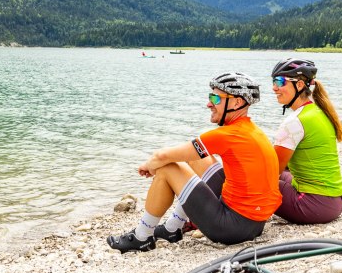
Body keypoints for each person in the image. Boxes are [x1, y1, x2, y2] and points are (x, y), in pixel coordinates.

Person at [107, 72, 281, 253]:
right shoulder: (250, 130)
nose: (209, 103)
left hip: (231, 228)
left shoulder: (228, 135)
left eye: (215, 98)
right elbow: (186, 152)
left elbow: (162, 157)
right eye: (210, 96)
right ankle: (173, 228)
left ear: (237, 102)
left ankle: (141, 237)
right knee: (195, 157)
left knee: (167, 168)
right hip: (255, 223)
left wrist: (149, 166)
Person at [269, 58, 342, 224]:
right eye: (274, 81)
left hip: (313, 205)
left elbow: (271, 171)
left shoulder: (294, 122)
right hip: (334, 202)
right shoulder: (318, 112)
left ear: (298, 85)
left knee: (253, 179)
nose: (274, 87)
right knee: (284, 174)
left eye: (280, 81)